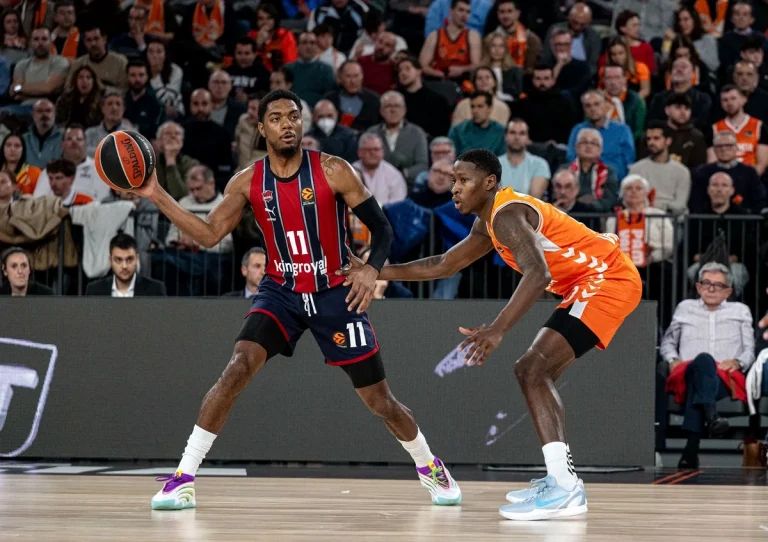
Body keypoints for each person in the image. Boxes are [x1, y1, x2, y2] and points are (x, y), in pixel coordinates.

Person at [129, 89, 461, 510]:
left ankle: (429, 465)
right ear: (262, 127)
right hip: (280, 290)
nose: (288, 124)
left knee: (380, 400)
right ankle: (183, 478)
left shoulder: (334, 170)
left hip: (334, 292)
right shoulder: (248, 181)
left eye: (294, 116)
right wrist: (156, 193)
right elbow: (209, 234)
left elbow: (381, 227)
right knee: (235, 369)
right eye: (277, 118)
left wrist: (371, 268)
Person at [341, 148, 642, 521]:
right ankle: (561, 480)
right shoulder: (489, 220)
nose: (454, 188)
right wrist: (375, 271)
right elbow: (444, 264)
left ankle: (565, 487)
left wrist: (497, 330)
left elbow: (538, 274)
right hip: (590, 282)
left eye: (463, 180)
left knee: (532, 369)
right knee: (533, 372)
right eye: (452, 180)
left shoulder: (508, 215)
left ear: (489, 183)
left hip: (606, 280)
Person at [85, 233, 167, 297]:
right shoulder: (94, 290)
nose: (124, 266)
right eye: (118, 260)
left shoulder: (155, 290)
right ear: (110, 260)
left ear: (137, 258)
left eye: (129, 260)